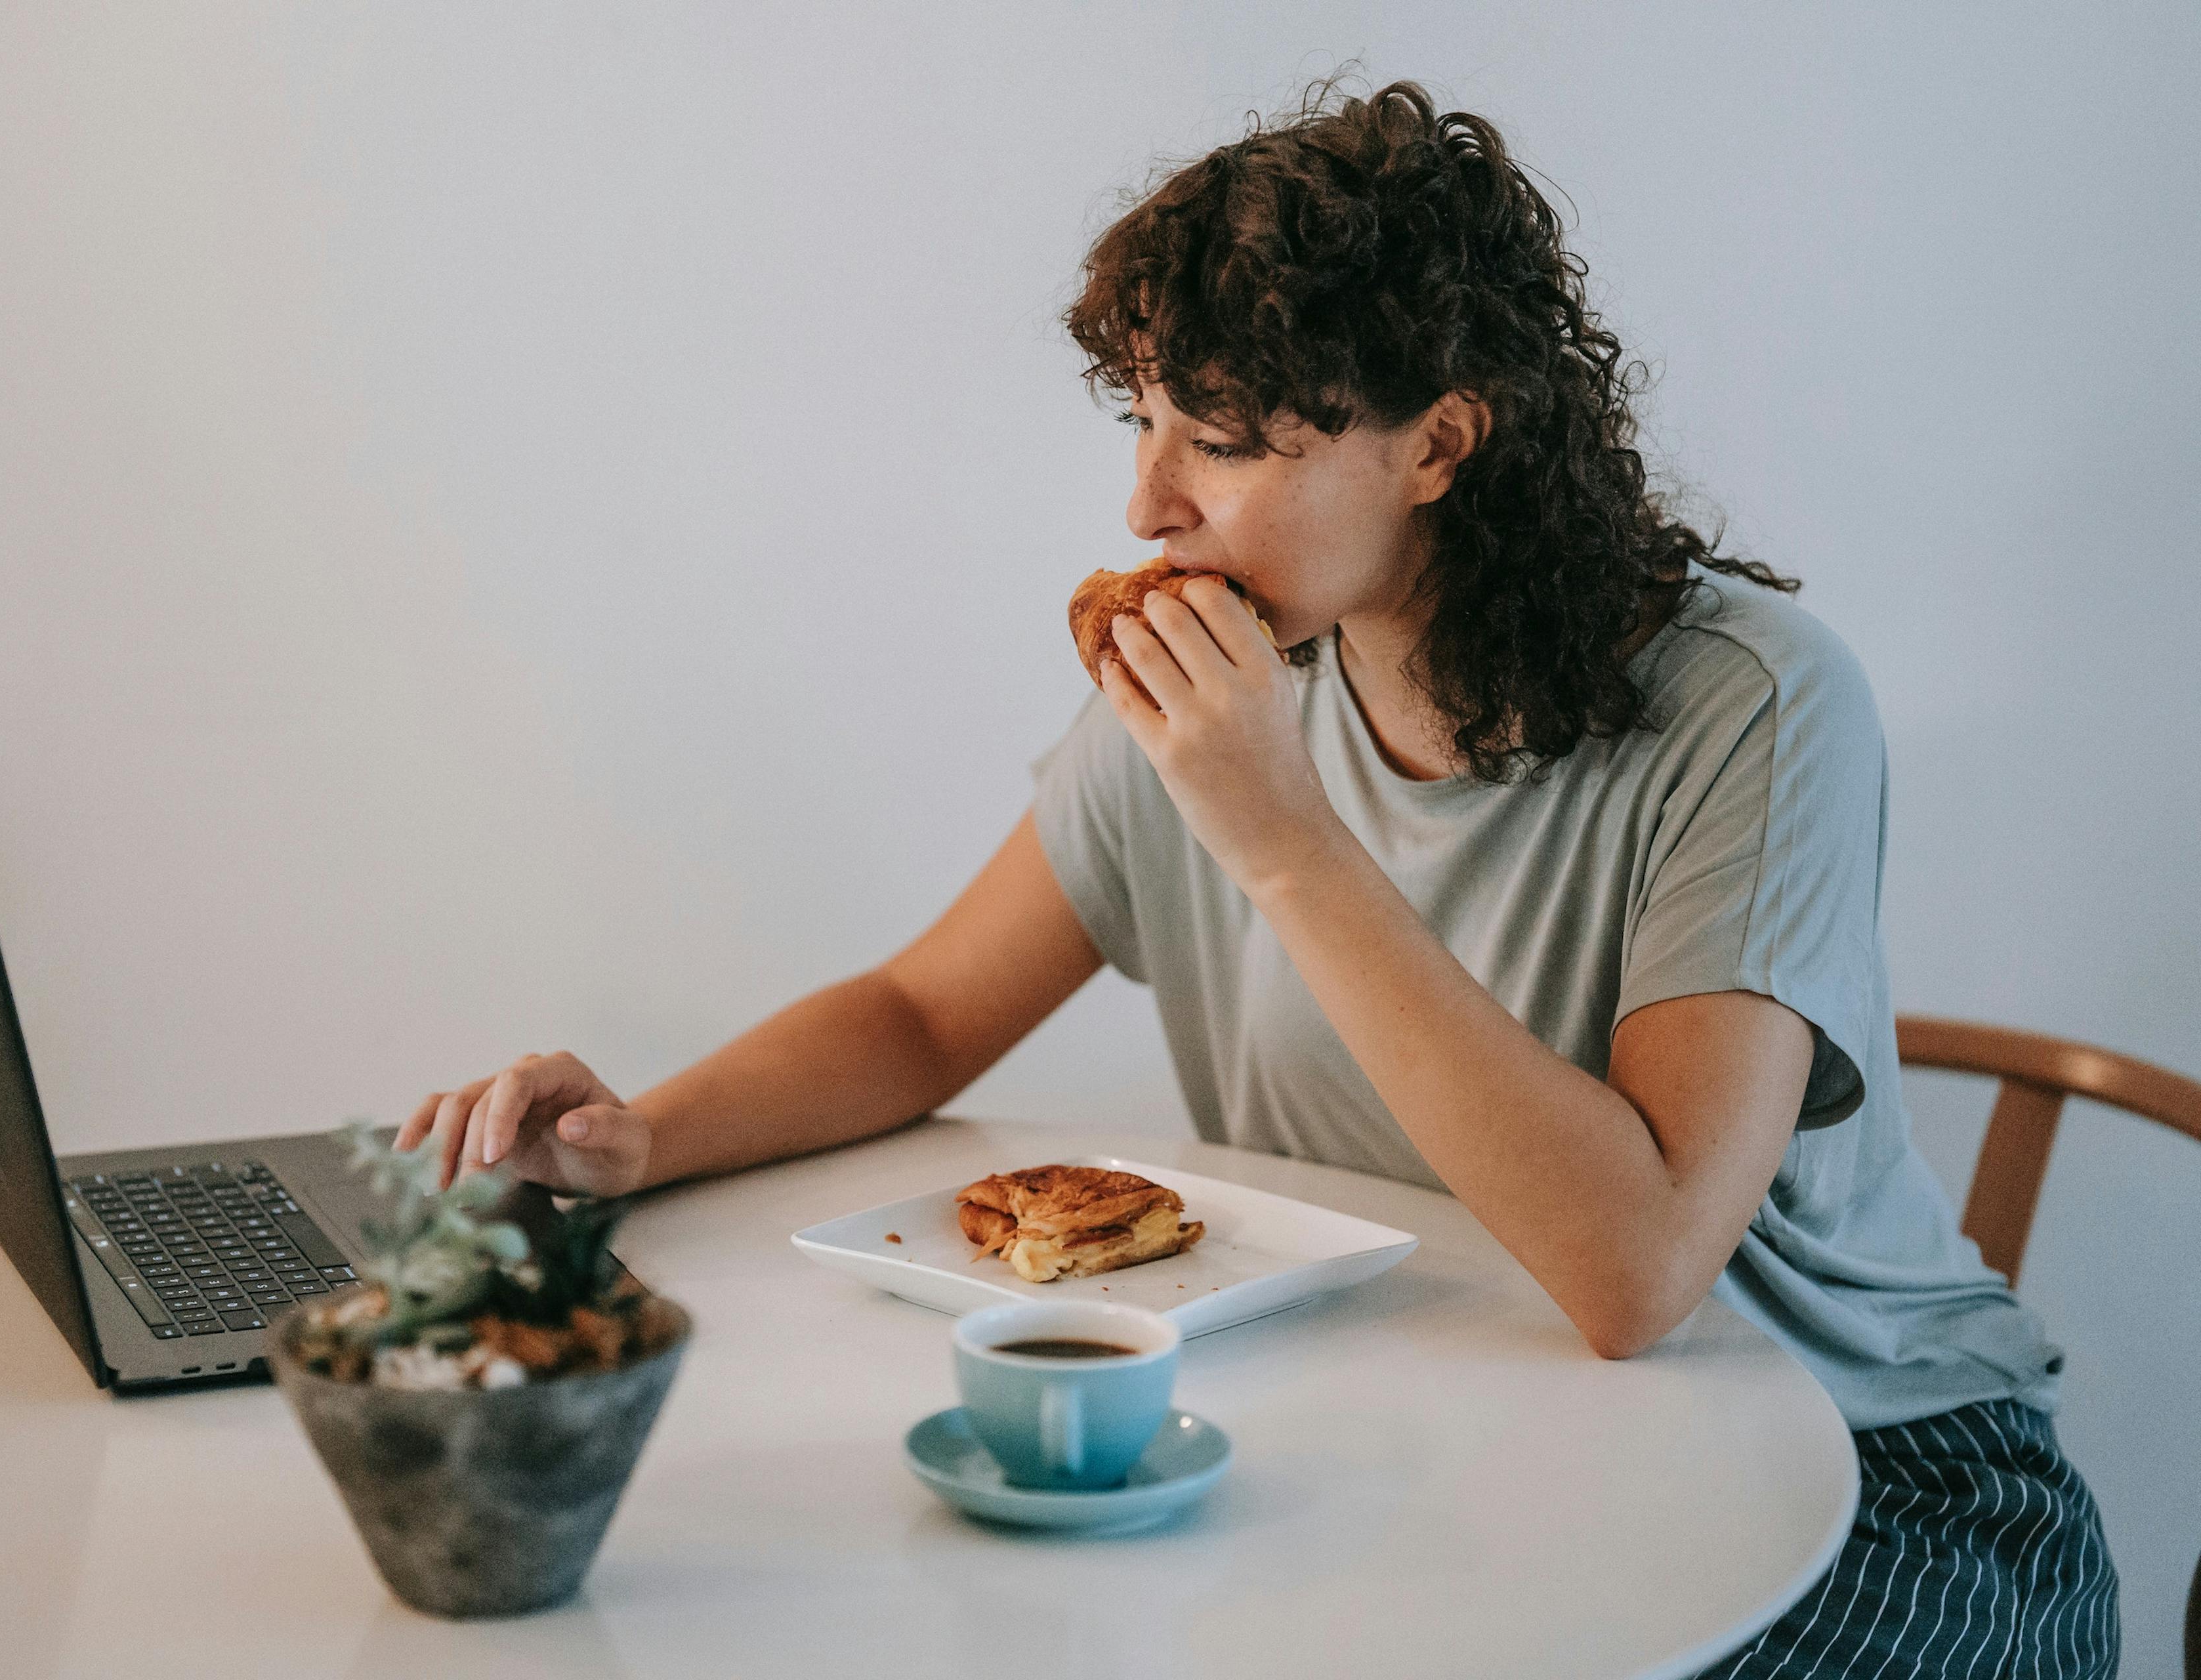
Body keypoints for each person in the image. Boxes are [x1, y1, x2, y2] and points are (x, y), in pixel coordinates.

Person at [397, 78, 2118, 1679]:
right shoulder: (1227, 681)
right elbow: (926, 1013)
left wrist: (1281, 833)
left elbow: (1642, 1272)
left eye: (1218, 440)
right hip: (1436, 1435)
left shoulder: (1752, 707)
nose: (1147, 503)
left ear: (1441, 443)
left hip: (1872, 1480)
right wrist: (645, 1135)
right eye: (1142, 421)